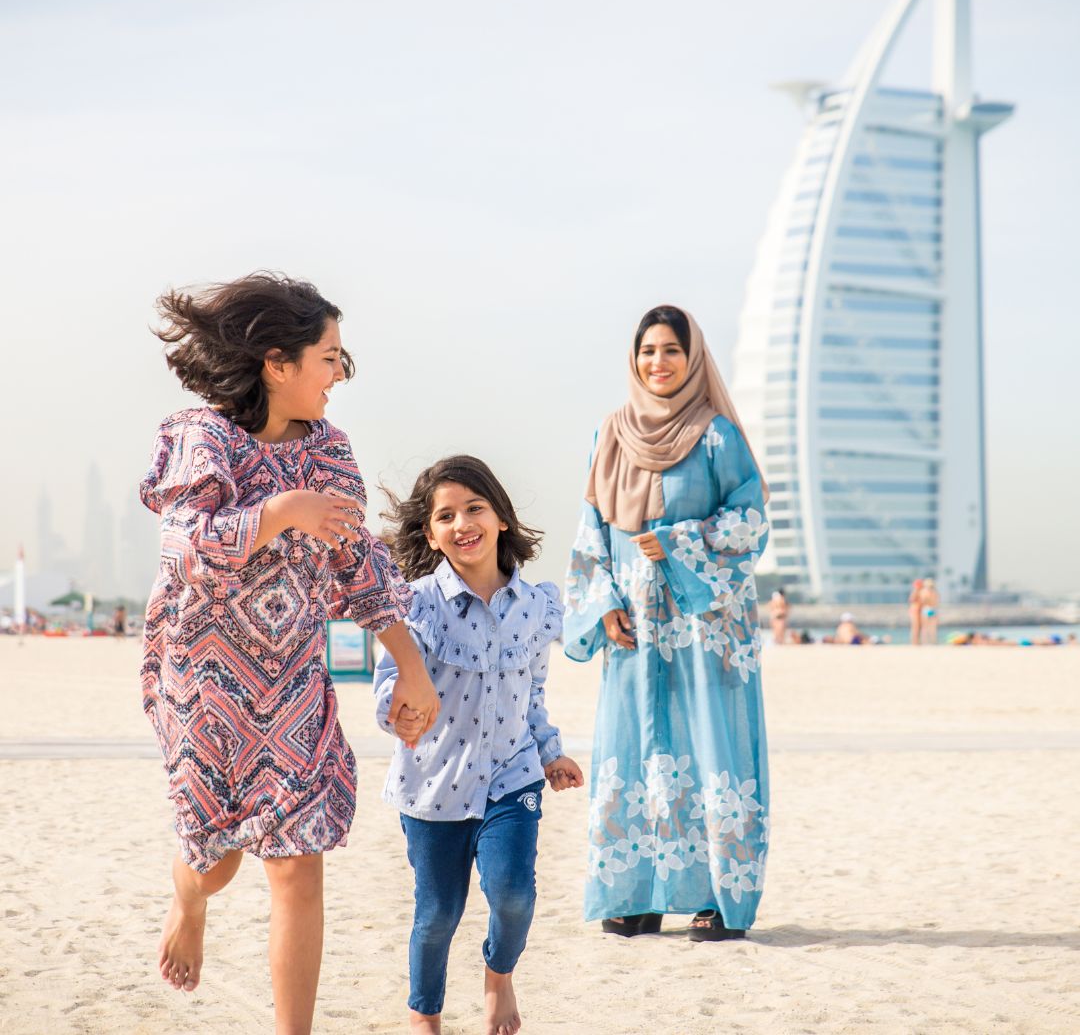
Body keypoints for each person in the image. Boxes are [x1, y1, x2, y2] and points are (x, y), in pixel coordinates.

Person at [139, 272, 439, 1034]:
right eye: (330, 356)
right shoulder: (202, 438)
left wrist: (410, 663)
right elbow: (182, 550)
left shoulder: (331, 451)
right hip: (203, 682)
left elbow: (359, 566)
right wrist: (280, 511)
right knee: (218, 859)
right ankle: (190, 901)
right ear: (279, 363)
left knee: (298, 866)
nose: (340, 373)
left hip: (295, 683)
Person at [564, 305, 770, 943]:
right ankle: (639, 893)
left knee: (707, 746)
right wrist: (603, 604)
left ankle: (715, 898)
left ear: (693, 358)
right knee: (635, 747)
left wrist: (678, 541)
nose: (658, 363)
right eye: (648, 351)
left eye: (671, 351)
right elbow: (591, 528)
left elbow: (751, 520)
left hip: (703, 624)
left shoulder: (716, 437)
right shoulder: (610, 434)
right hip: (632, 627)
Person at [375, 456, 583, 1035]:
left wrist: (549, 752)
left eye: (475, 508)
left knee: (513, 895)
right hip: (433, 785)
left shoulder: (537, 605)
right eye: (446, 515)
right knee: (438, 914)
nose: (462, 523)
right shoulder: (414, 604)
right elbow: (389, 683)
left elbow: (533, 691)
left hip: (511, 780)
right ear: (430, 534)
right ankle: (425, 1016)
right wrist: (401, 716)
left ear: (501, 519)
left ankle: (499, 974)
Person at [920, 578, 940, 645]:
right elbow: (936, 601)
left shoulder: (923, 591)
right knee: (933, 627)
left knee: (925, 627)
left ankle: (924, 641)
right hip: (933, 608)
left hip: (926, 608)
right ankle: (933, 641)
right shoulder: (935, 592)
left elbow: (923, 601)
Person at [907, 579, 923, 645]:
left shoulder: (918, 591)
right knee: (915, 627)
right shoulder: (916, 591)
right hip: (915, 611)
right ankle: (914, 642)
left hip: (917, 610)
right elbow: (911, 600)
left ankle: (916, 641)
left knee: (917, 627)